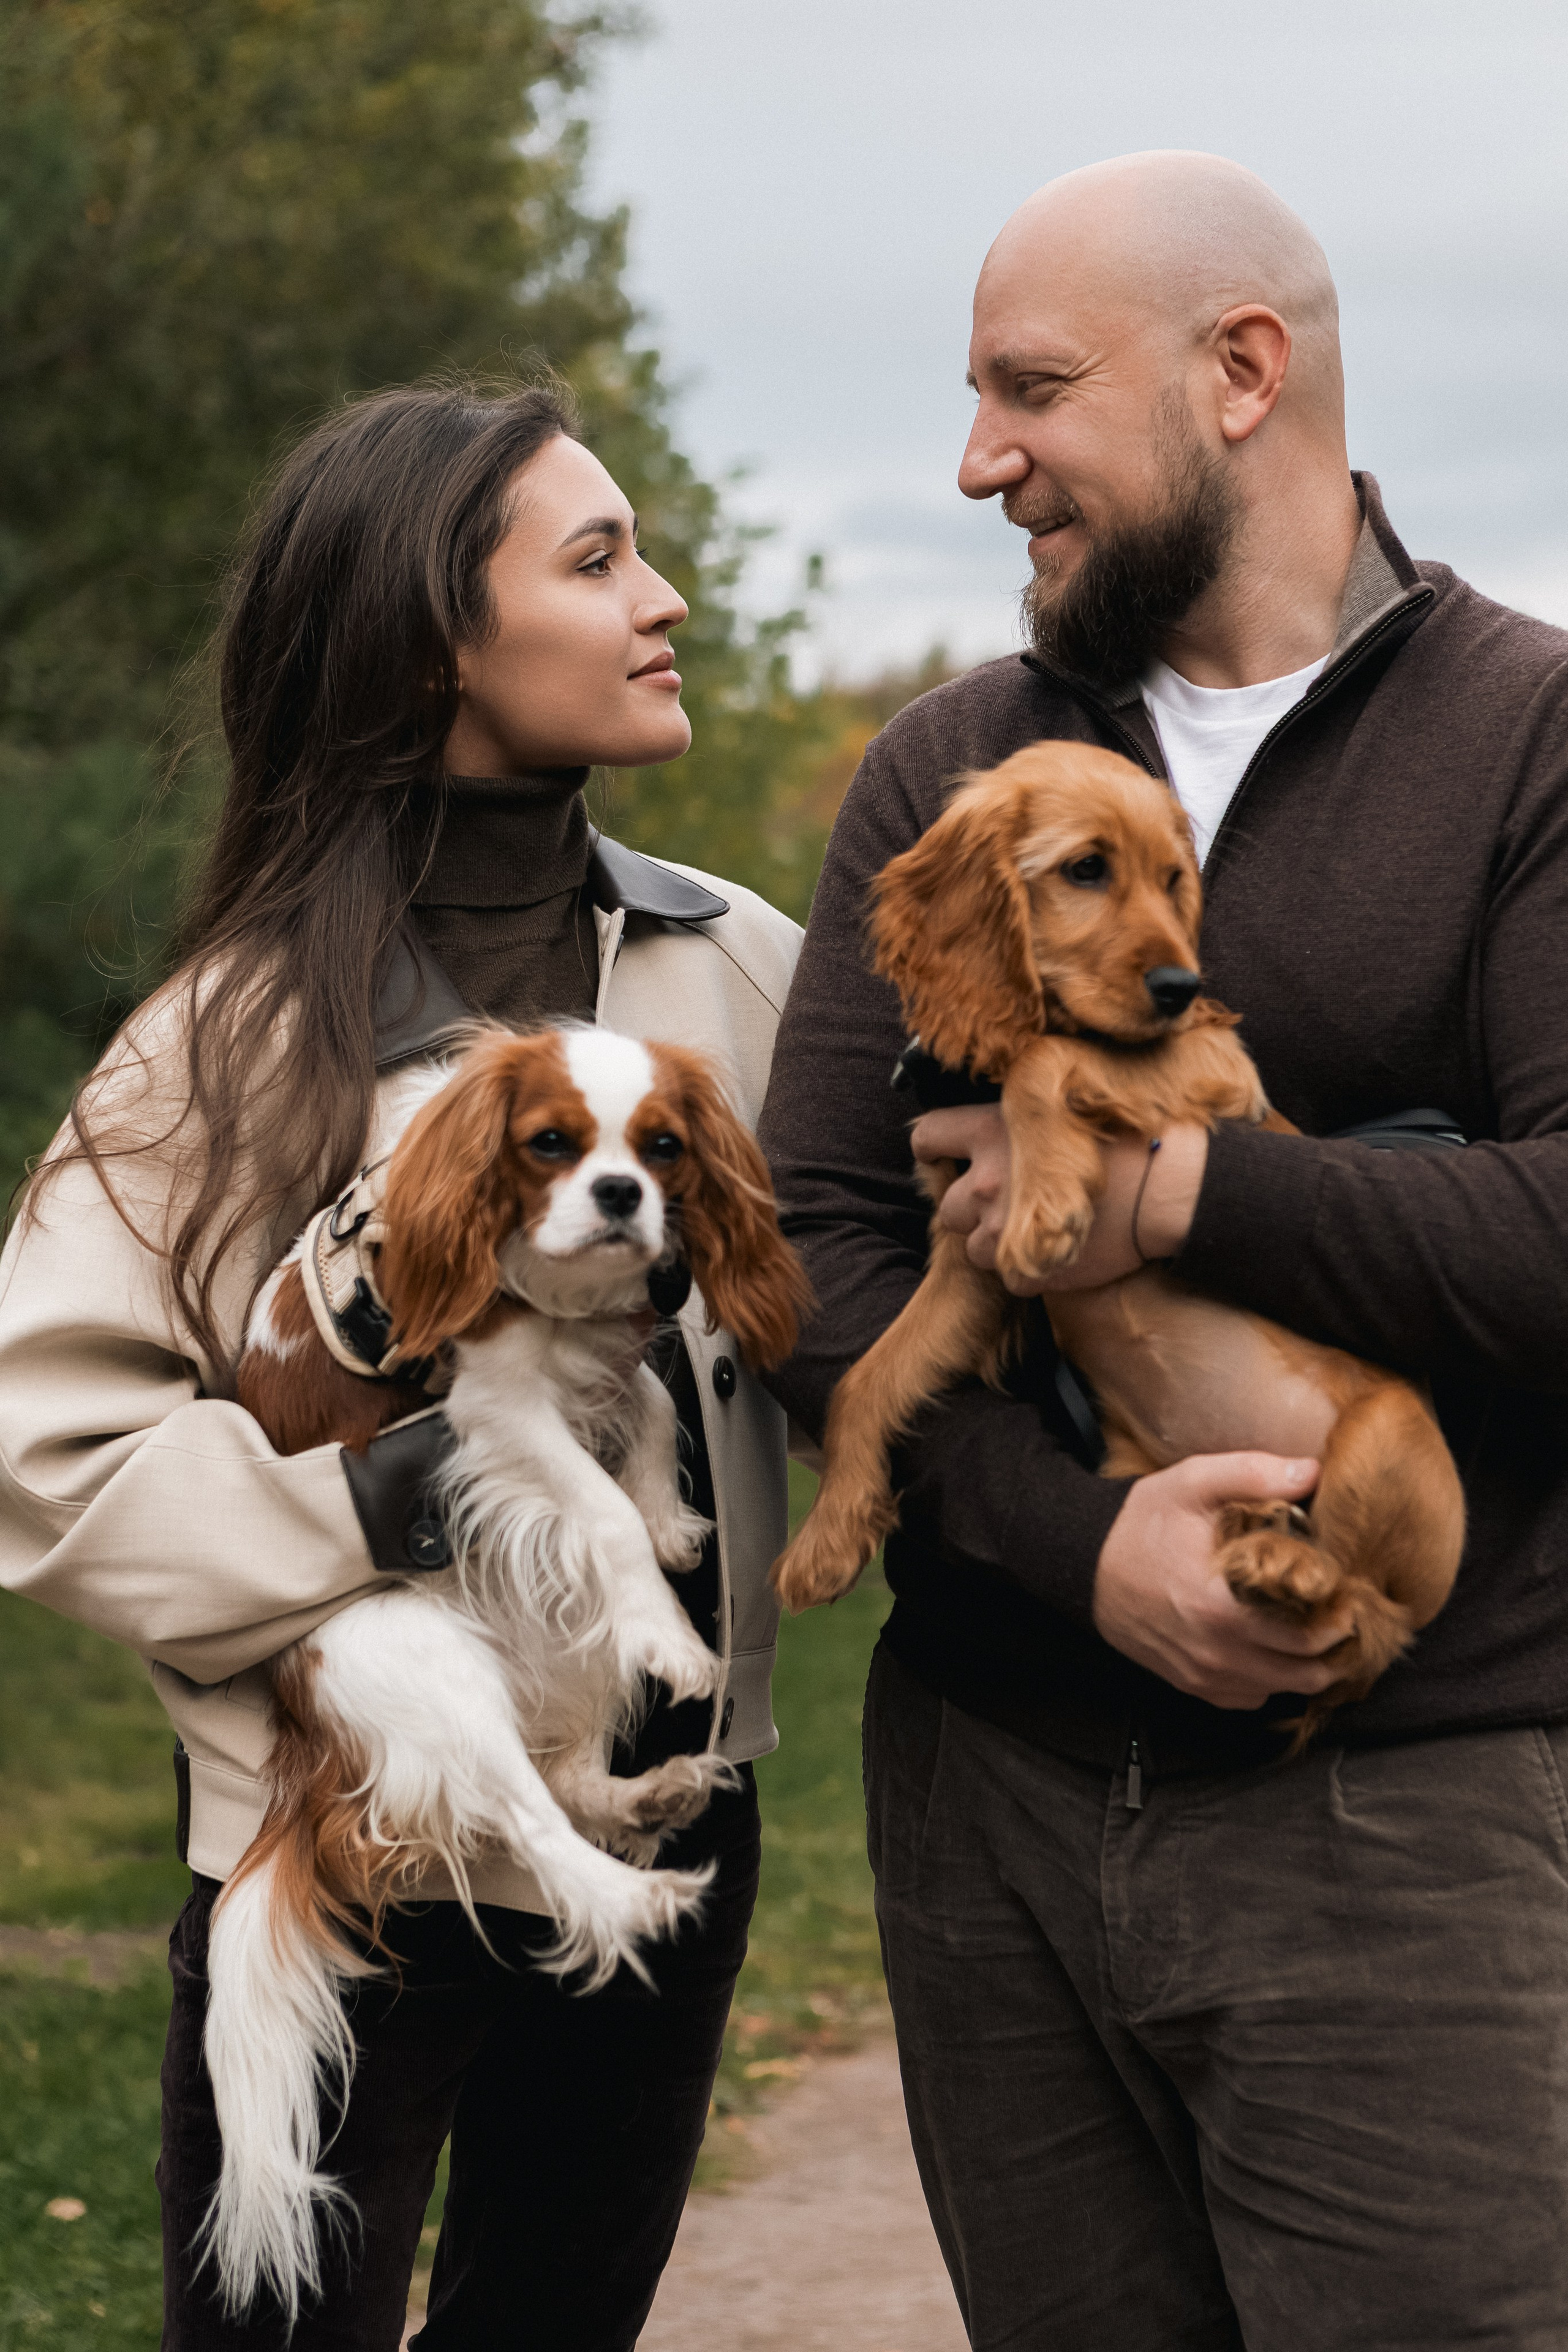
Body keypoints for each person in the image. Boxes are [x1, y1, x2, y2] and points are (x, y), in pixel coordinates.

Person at [759, 151, 1568, 2352]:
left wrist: (1182, 1195)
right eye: (966, 398)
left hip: (1407, 1817)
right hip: (991, 1801)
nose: (976, 460)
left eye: (1032, 390)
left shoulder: (1533, 739)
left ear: (1242, 373)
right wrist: (1070, 1546)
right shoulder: (952, 761)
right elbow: (817, 1237)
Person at [0, 379, 801, 2350]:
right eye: (599, 559)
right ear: (432, 633)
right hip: (348, 1842)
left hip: (665, 1803)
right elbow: (44, 1454)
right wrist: (364, 1497)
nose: (665, 598)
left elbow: (855, 1311)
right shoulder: (224, 1038)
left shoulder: (749, 972)